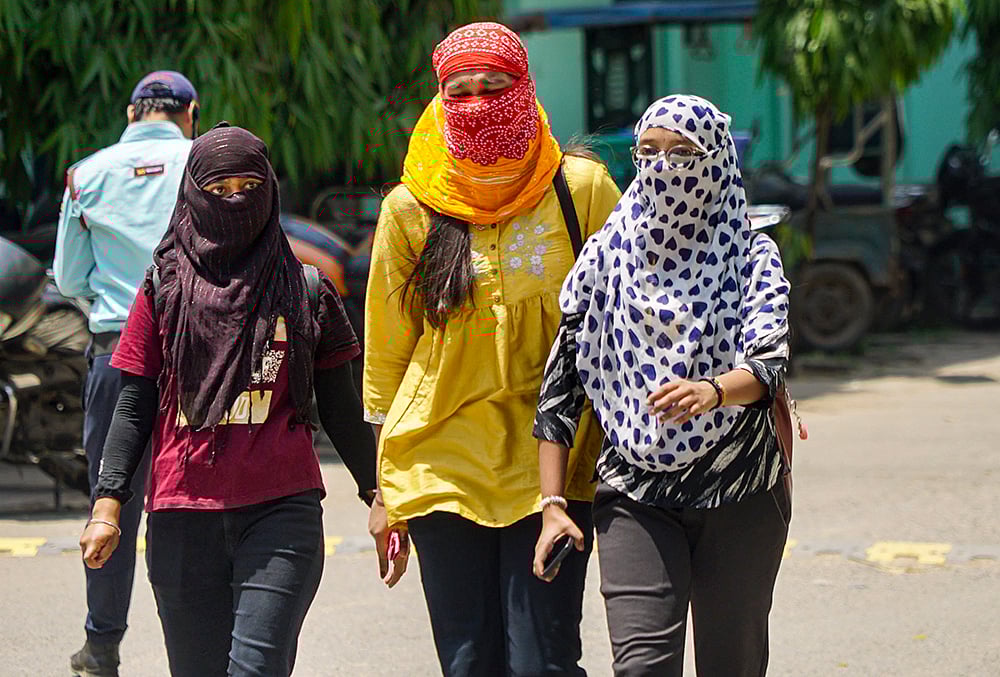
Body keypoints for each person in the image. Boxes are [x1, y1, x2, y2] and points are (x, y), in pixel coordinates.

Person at [78, 124, 387, 677]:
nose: (236, 199)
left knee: (256, 667)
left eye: (249, 185)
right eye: (219, 189)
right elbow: (134, 404)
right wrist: (108, 505)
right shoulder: (162, 288)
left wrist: (378, 496)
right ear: (194, 195)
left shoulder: (305, 289)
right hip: (180, 514)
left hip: (281, 512)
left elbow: (340, 409)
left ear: (269, 190)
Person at [363, 21, 622, 677]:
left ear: (525, 86)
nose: (478, 103)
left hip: (558, 463)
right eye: (461, 90)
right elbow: (387, 359)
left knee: (545, 661)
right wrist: (382, 490)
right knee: (469, 661)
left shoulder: (582, 190)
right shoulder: (410, 209)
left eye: (494, 86)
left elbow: (635, 309)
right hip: (440, 460)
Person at [532, 94, 793, 677]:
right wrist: (552, 504)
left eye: (683, 153)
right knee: (642, 667)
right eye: (648, 152)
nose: (663, 166)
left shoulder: (751, 254)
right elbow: (559, 392)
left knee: (733, 662)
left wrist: (715, 390)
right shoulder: (604, 258)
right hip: (634, 492)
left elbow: (770, 360)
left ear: (716, 162)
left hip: (742, 490)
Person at [54, 69, 199, 677]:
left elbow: (68, 280)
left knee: (111, 499)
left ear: (133, 112)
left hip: (117, 354)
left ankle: (103, 645)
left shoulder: (85, 175)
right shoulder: (209, 163)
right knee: (196, 499)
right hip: (200, 356)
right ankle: (196, 646)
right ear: (190, 114)